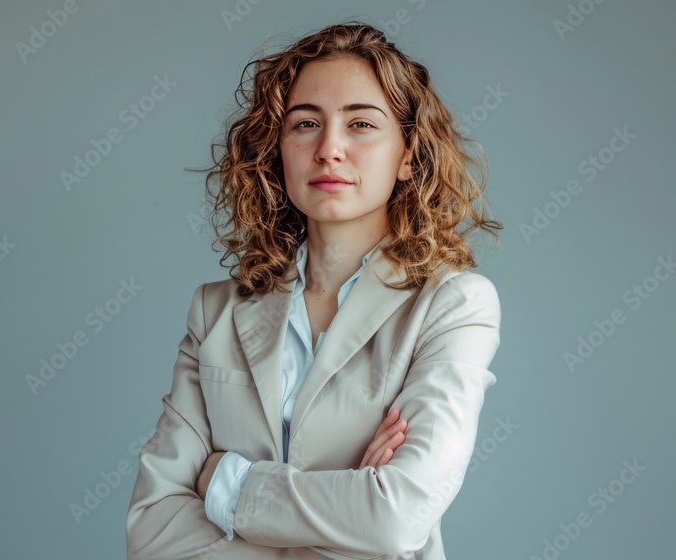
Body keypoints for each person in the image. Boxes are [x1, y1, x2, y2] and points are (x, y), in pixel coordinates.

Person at [127, 21, 503, 560]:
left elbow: (395, 517)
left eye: (361, 124)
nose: (330, 149)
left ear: (407, 155)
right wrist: (344, 517)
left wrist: (226, 483)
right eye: (305, 123)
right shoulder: (215, 312)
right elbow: (151, 532)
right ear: (277, 150)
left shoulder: (455, 305)